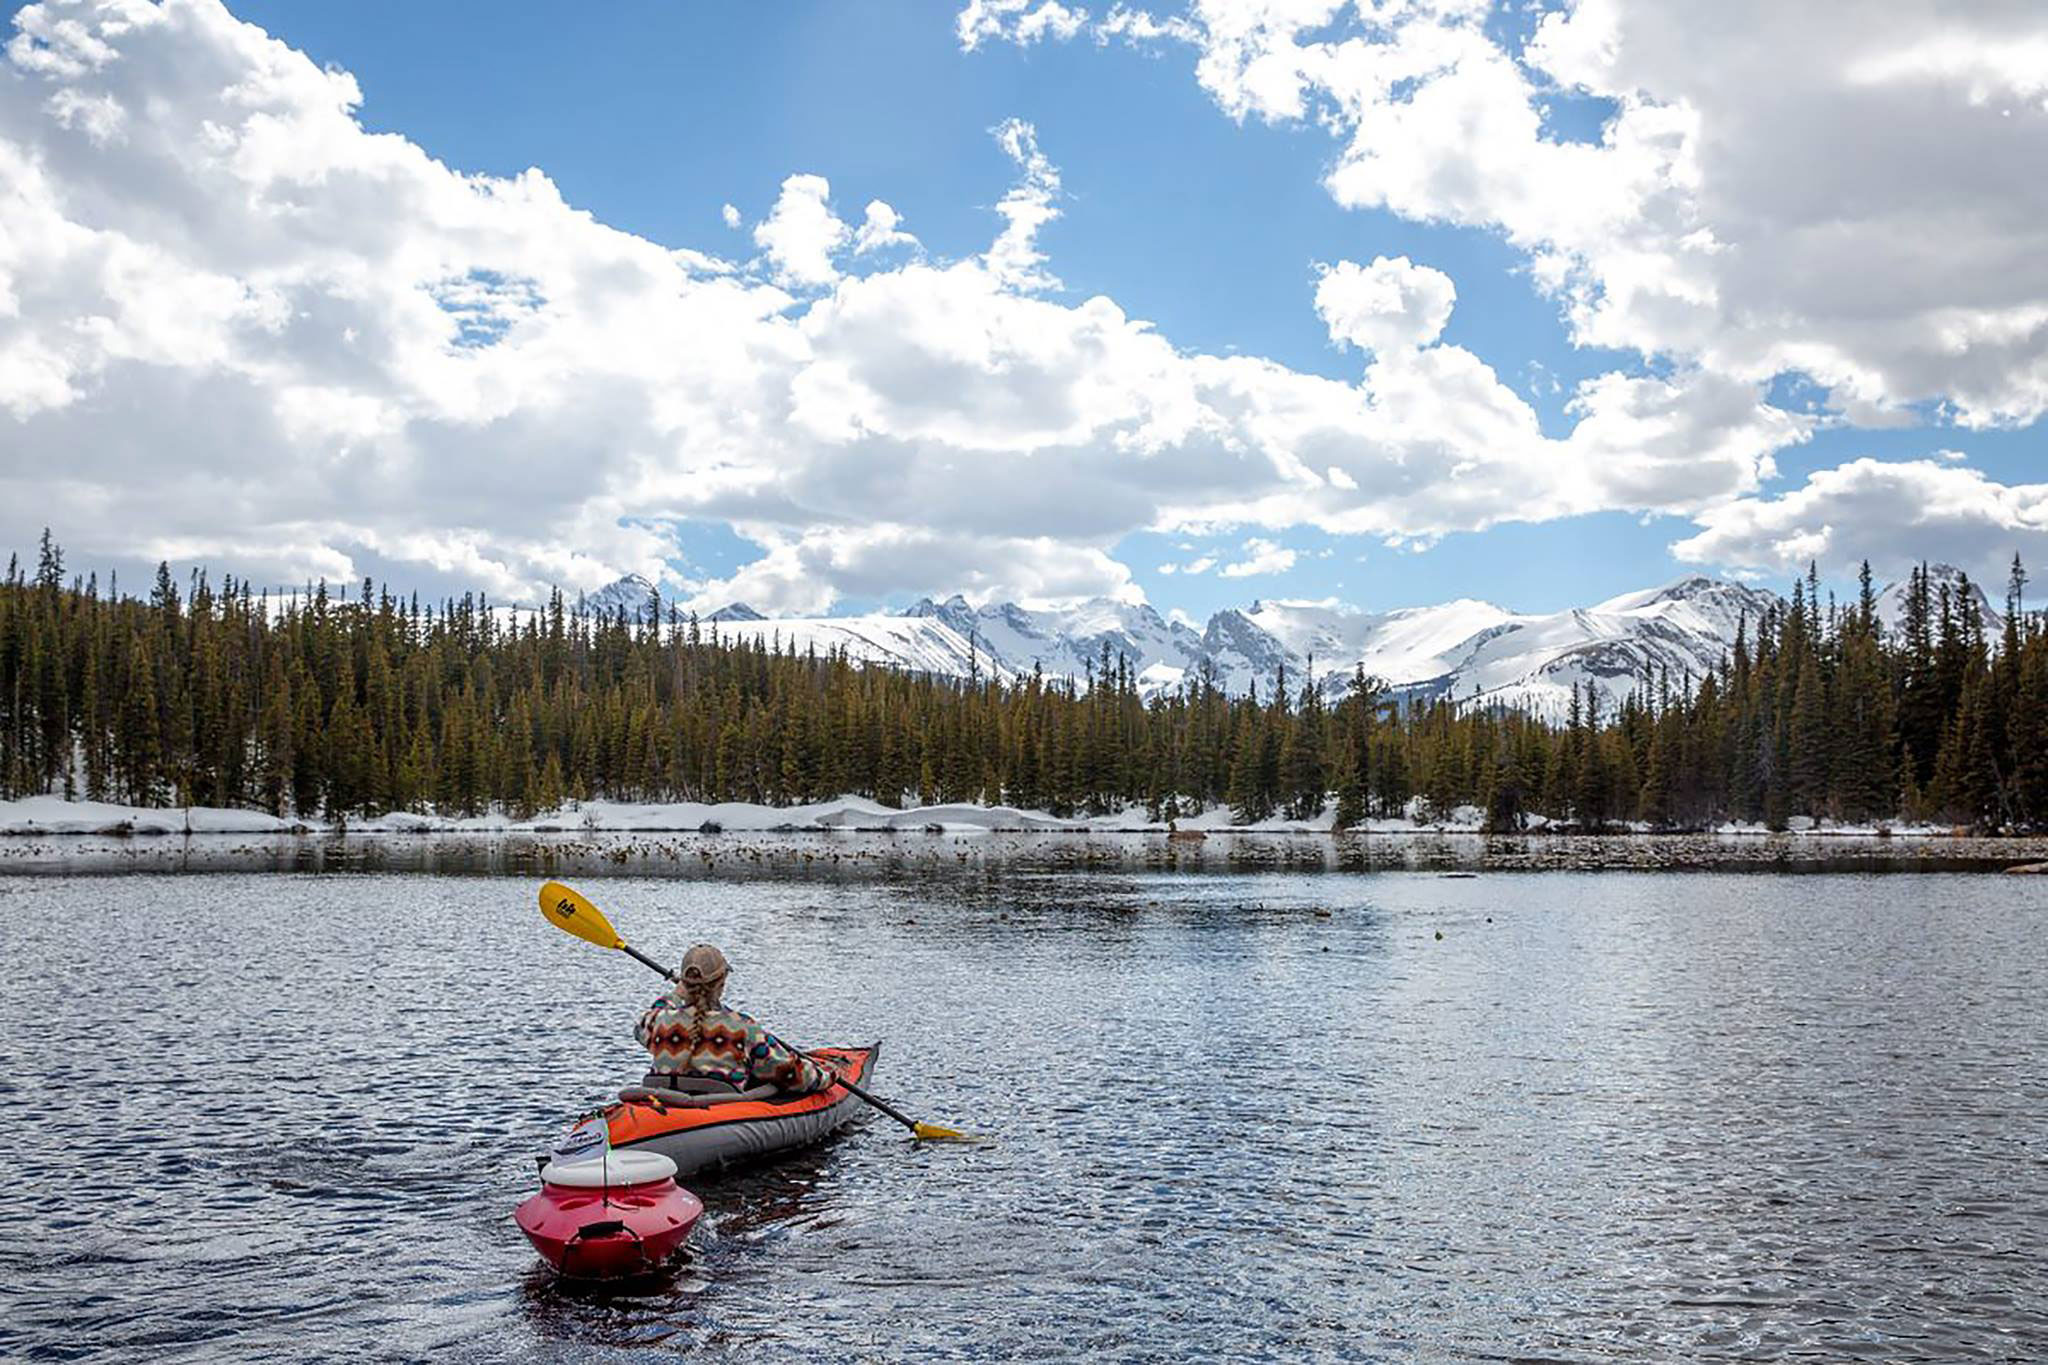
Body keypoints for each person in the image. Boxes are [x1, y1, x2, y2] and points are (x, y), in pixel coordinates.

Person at [634, 943, 833, 1094]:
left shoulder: (658, 1022)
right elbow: (790, 1074)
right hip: (719, 1116)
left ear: (685, 985)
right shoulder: (742, 1027)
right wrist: (827, 1076)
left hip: (666, 1110)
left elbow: (646, 1020)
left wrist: (677, 994)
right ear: (722, 982)